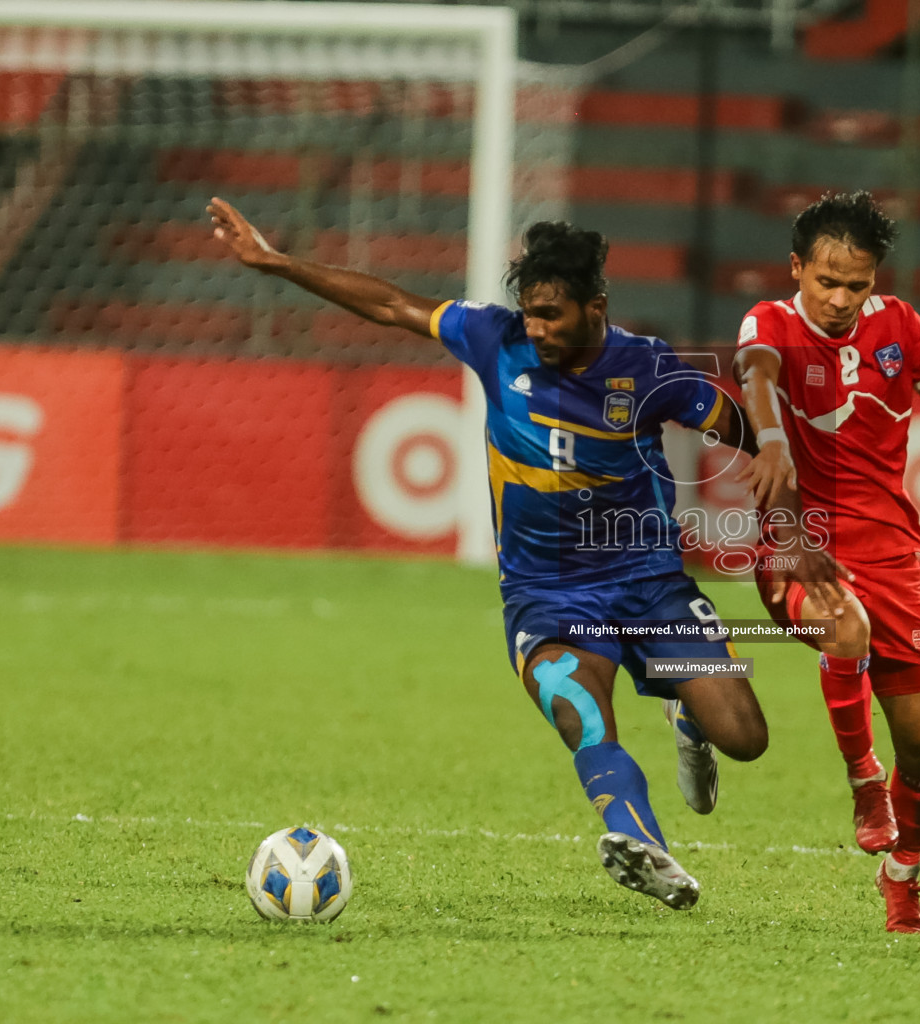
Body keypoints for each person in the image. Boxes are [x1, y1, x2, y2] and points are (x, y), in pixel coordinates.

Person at [208, 199, 769, 910]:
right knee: (580, 712)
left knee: (746, 737)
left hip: (648, 584)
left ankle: (688, 717)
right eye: (529, 312)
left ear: (596, 307)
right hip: (547, 595)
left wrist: (786, 469)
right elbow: (390, 305)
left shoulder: (647, 368)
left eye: (551, 315)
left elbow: (738, 424)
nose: (535, 328)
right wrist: (277, 262)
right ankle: (646, 847)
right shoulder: (493, 338)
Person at [732, 191, 920, 934]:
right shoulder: (769, 323)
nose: (837, 299)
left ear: (875, 281)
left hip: (890, 550)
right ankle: (865, 782)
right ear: (796, 268)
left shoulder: (899, 327)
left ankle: (902, 878)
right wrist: (772, 444)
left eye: (854, 285)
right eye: (825, 282)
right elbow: (757, 378)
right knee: (844, 628)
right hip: (794, 538)